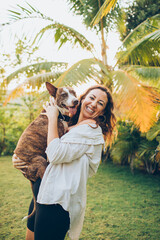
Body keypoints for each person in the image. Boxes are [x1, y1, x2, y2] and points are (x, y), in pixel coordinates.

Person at [12, 84, 116, 240]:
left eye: (100, 103)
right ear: (83, 99)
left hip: (58, 202)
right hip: (43, 191)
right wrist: (21, 158)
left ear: (103, 111)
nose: (94, 104)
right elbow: (41, 146)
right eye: (92, 98)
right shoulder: (69, 124)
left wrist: (52, 116)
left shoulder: (90, 131)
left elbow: (54, 154)